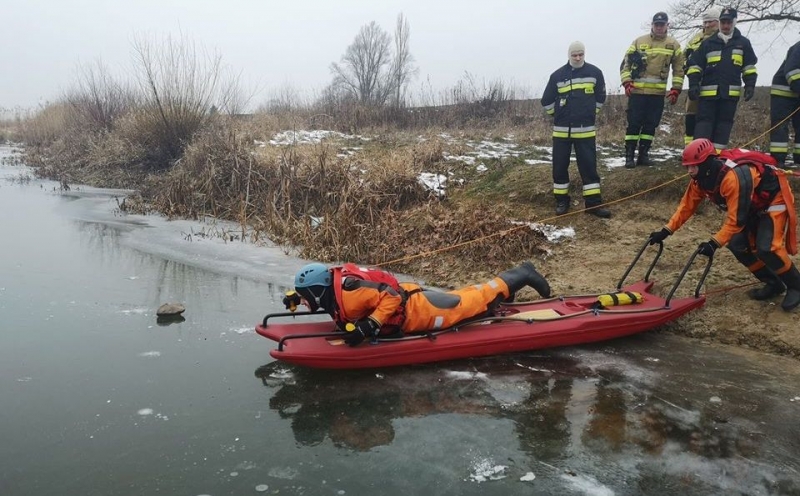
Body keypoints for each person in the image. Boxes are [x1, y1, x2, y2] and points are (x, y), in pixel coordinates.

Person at [648, 138, 799, 311]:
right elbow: (686, 206)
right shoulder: (700, 178)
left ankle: (796, 285)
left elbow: (736, 220)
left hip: (772, 200)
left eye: (693, 166)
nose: (690, 171)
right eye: (687, 166)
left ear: (706, 163)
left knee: (767, 248)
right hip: (750, 205)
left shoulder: (732, 178)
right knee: (737, 245)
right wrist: (666, 231)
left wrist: (714, 243)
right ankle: (773, 283)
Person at [283, 261, 552, 346]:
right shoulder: (332, 290)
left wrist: (369, 325)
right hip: (414, 304)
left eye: (305, 297)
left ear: (319, 292)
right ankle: (505, 289)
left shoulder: (351, 292)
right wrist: (296, 296)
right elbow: (324, 298)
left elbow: (390, 294)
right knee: (469, 296)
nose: (304, 302)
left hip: (420, 312)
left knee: (472, 302)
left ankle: (521, 274)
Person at [541, 41, 611, 218]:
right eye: (574, 55)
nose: (578, 57)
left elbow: (601, 97)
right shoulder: (557, 76)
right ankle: (562, 201)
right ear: (569, 55)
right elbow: (546, 100)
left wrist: (589, 113)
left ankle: (593, 204)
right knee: (559, 168)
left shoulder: (595, 73)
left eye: (581, 54)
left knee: (589, 168)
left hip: (586, 131)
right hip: (561, 133)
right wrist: (557, 115)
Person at [686, 7, 758, 151]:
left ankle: (717, 157)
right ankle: (700, 157)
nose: (725, 26)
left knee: (724, 125)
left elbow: (749, 67)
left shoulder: (743, 43)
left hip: (729, 96)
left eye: (728, 22)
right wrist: (693, 84)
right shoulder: (707, 43)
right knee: (704, 125)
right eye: (723, 22)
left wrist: (750, 85)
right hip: (707, 96)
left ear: (734, 22)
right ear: (719, 23)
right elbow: (694, 66)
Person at [620, 12, 685, 168]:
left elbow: (679, 68)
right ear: (652, 25)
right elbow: (625, 64)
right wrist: (627, 82)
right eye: (656, 24)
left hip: (657, 95)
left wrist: (676, 89)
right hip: (637, 93)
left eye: (662, 24)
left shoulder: (673, 45)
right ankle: (629, 156)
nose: (659, 27)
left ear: (667, 25)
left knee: (650, 126)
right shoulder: (639, 41)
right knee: (634, 125)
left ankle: (644, 155)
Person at [683, 7, 721, 145]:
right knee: (691, 115)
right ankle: (689, 147)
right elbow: (685, 58)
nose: (706, 25)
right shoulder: (695, 39)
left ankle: (709, 147)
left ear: (717, 22)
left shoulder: (723, 38)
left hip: (717, 84)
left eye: (710, 22)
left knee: (713, 118)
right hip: (696, 83)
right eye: (704, 22)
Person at [769, 39, 800, 167]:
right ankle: (778, 160)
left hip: (797, 92)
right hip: (782, 92)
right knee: (780, 126)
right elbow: (792, 71)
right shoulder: (798, 48)